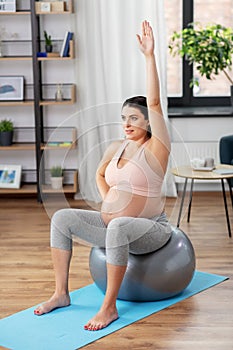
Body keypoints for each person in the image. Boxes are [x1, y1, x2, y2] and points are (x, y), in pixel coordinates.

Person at [34, 20, 172, 331]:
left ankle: (108, 307)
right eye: (123, 118)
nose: (126, 123)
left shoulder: (157, 149)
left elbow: (154, 102)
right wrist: (109, 197)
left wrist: (149, 57)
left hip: (151, 230)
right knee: (62, 219)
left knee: (121, 224)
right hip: (115, 227)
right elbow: (99, 174)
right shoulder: (117, 146)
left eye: (133, 118)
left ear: (149, 123)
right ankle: (60, 294)